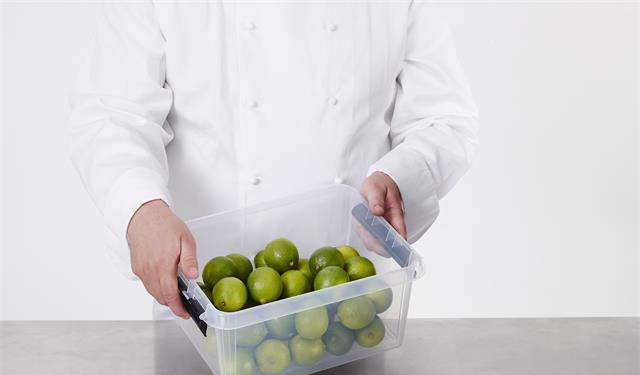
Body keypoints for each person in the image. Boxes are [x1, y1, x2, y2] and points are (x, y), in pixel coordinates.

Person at [69, 2, 478, 319]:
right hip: (204, 309)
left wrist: (399, 178)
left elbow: (443, 119)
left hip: (349, 312)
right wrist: (139, 207)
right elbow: (113, 115)